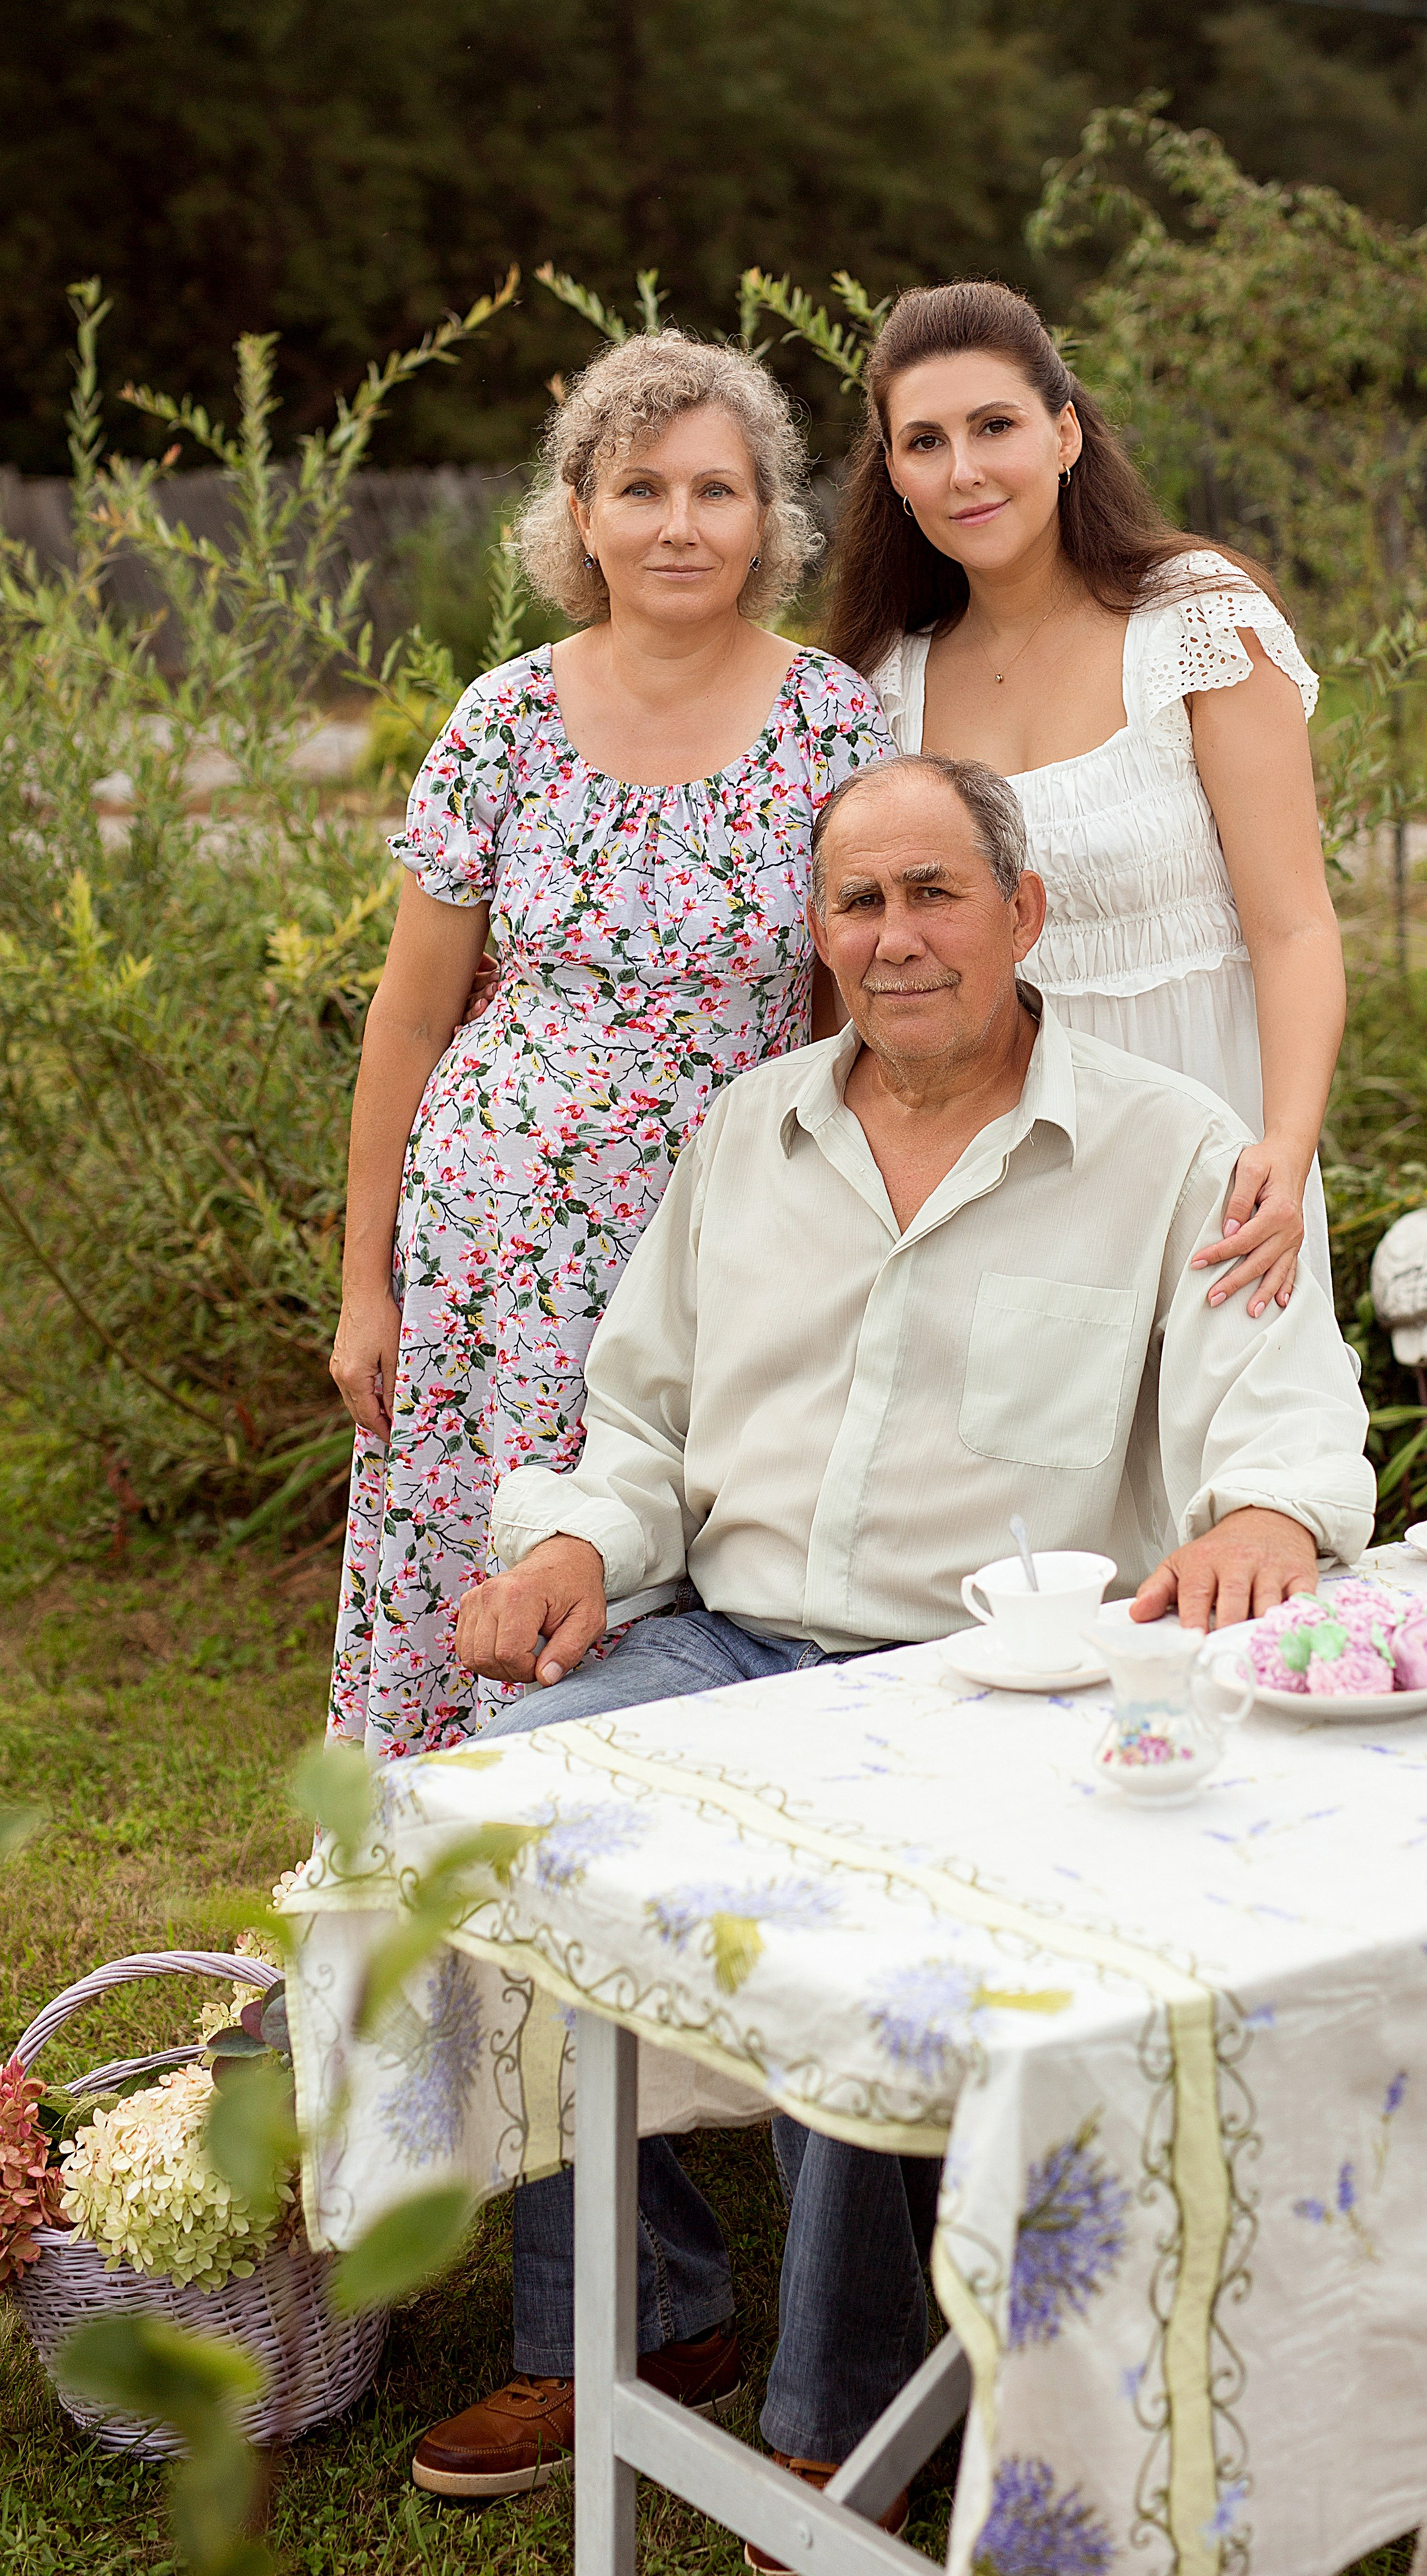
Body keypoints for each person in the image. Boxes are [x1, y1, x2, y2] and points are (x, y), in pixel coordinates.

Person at [407, 752, 1373, 2526]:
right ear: (819, 928)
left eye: (935, 892)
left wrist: (1266, 1514)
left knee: (876, 1920)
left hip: (983, 1687)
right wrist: (569, 1545)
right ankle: (630, 2316)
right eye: (860, 900)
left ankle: (843, 2427)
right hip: (730, 1639)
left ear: (1025, 912)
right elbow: (639, 1427)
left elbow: (1289, 1420)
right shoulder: (745, 1133)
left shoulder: (1176, 1148)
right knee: (503, 1803)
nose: (897, 935)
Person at [326, 332, 893, 1758]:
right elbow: (407, 1019)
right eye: (640, 489)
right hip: (491, 1247)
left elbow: (855, 1011)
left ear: (766, 516)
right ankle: (427, 1903)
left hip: (719, 1238)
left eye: (717, 489)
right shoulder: (501, 720)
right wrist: (362, 1285)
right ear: (579, 513)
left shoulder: (831, 724)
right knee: (481, 1570)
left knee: (674, 1584)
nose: (679, 525)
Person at [823, 279, 1345, 1319]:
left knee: (1228, 1460)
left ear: (1064, 434)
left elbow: (1292, 926)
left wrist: (1284, 1147)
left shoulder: (1197, 625)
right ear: (894, 474)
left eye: (995, 426)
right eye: (925, 442)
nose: (964, 469)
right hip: (991, 1159)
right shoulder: (880, 687)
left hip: (1212, 1139)